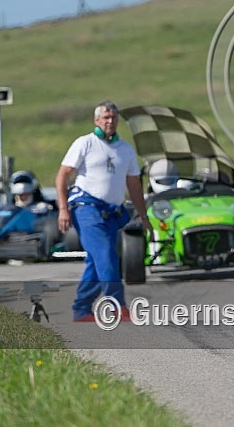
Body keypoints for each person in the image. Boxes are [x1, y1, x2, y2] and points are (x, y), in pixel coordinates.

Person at [55, 100, 152, 322]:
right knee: (105, 254)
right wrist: (63, 209)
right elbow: (63, 175)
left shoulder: (125, 150)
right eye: (105, 117)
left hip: (113, 213)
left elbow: (134, 185)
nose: (110, 121)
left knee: (97, 261)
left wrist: (144, 216)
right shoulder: (85, 143)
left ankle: (81, 309)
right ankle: (118, 305)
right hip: (86, 208)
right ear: (96, 120)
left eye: (114, 118)